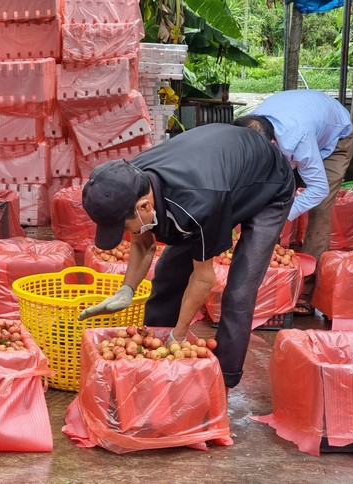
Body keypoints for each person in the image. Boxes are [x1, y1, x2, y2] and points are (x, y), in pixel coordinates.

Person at [79, 123, 295, 390]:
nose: (124, 233)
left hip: (268, 188)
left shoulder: (199, 202)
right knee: (169, 270)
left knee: (239, 290)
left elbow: (204, 278)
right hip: (222, 178)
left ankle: (223, 376)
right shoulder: (130, 182)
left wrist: (179, 335)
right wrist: (127, 289)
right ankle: (154, 349)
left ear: (145, 205)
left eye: (123, 226)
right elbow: (143, 244)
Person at [233, 90, 353, 316]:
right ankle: (266, 279)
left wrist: (283, 214)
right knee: (270, 198)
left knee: (319, 208)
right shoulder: (250, 129)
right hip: (302, 125)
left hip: (334, 139)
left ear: (271, 144)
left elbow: (318, 190)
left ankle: (305, 292)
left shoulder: (299, 141)